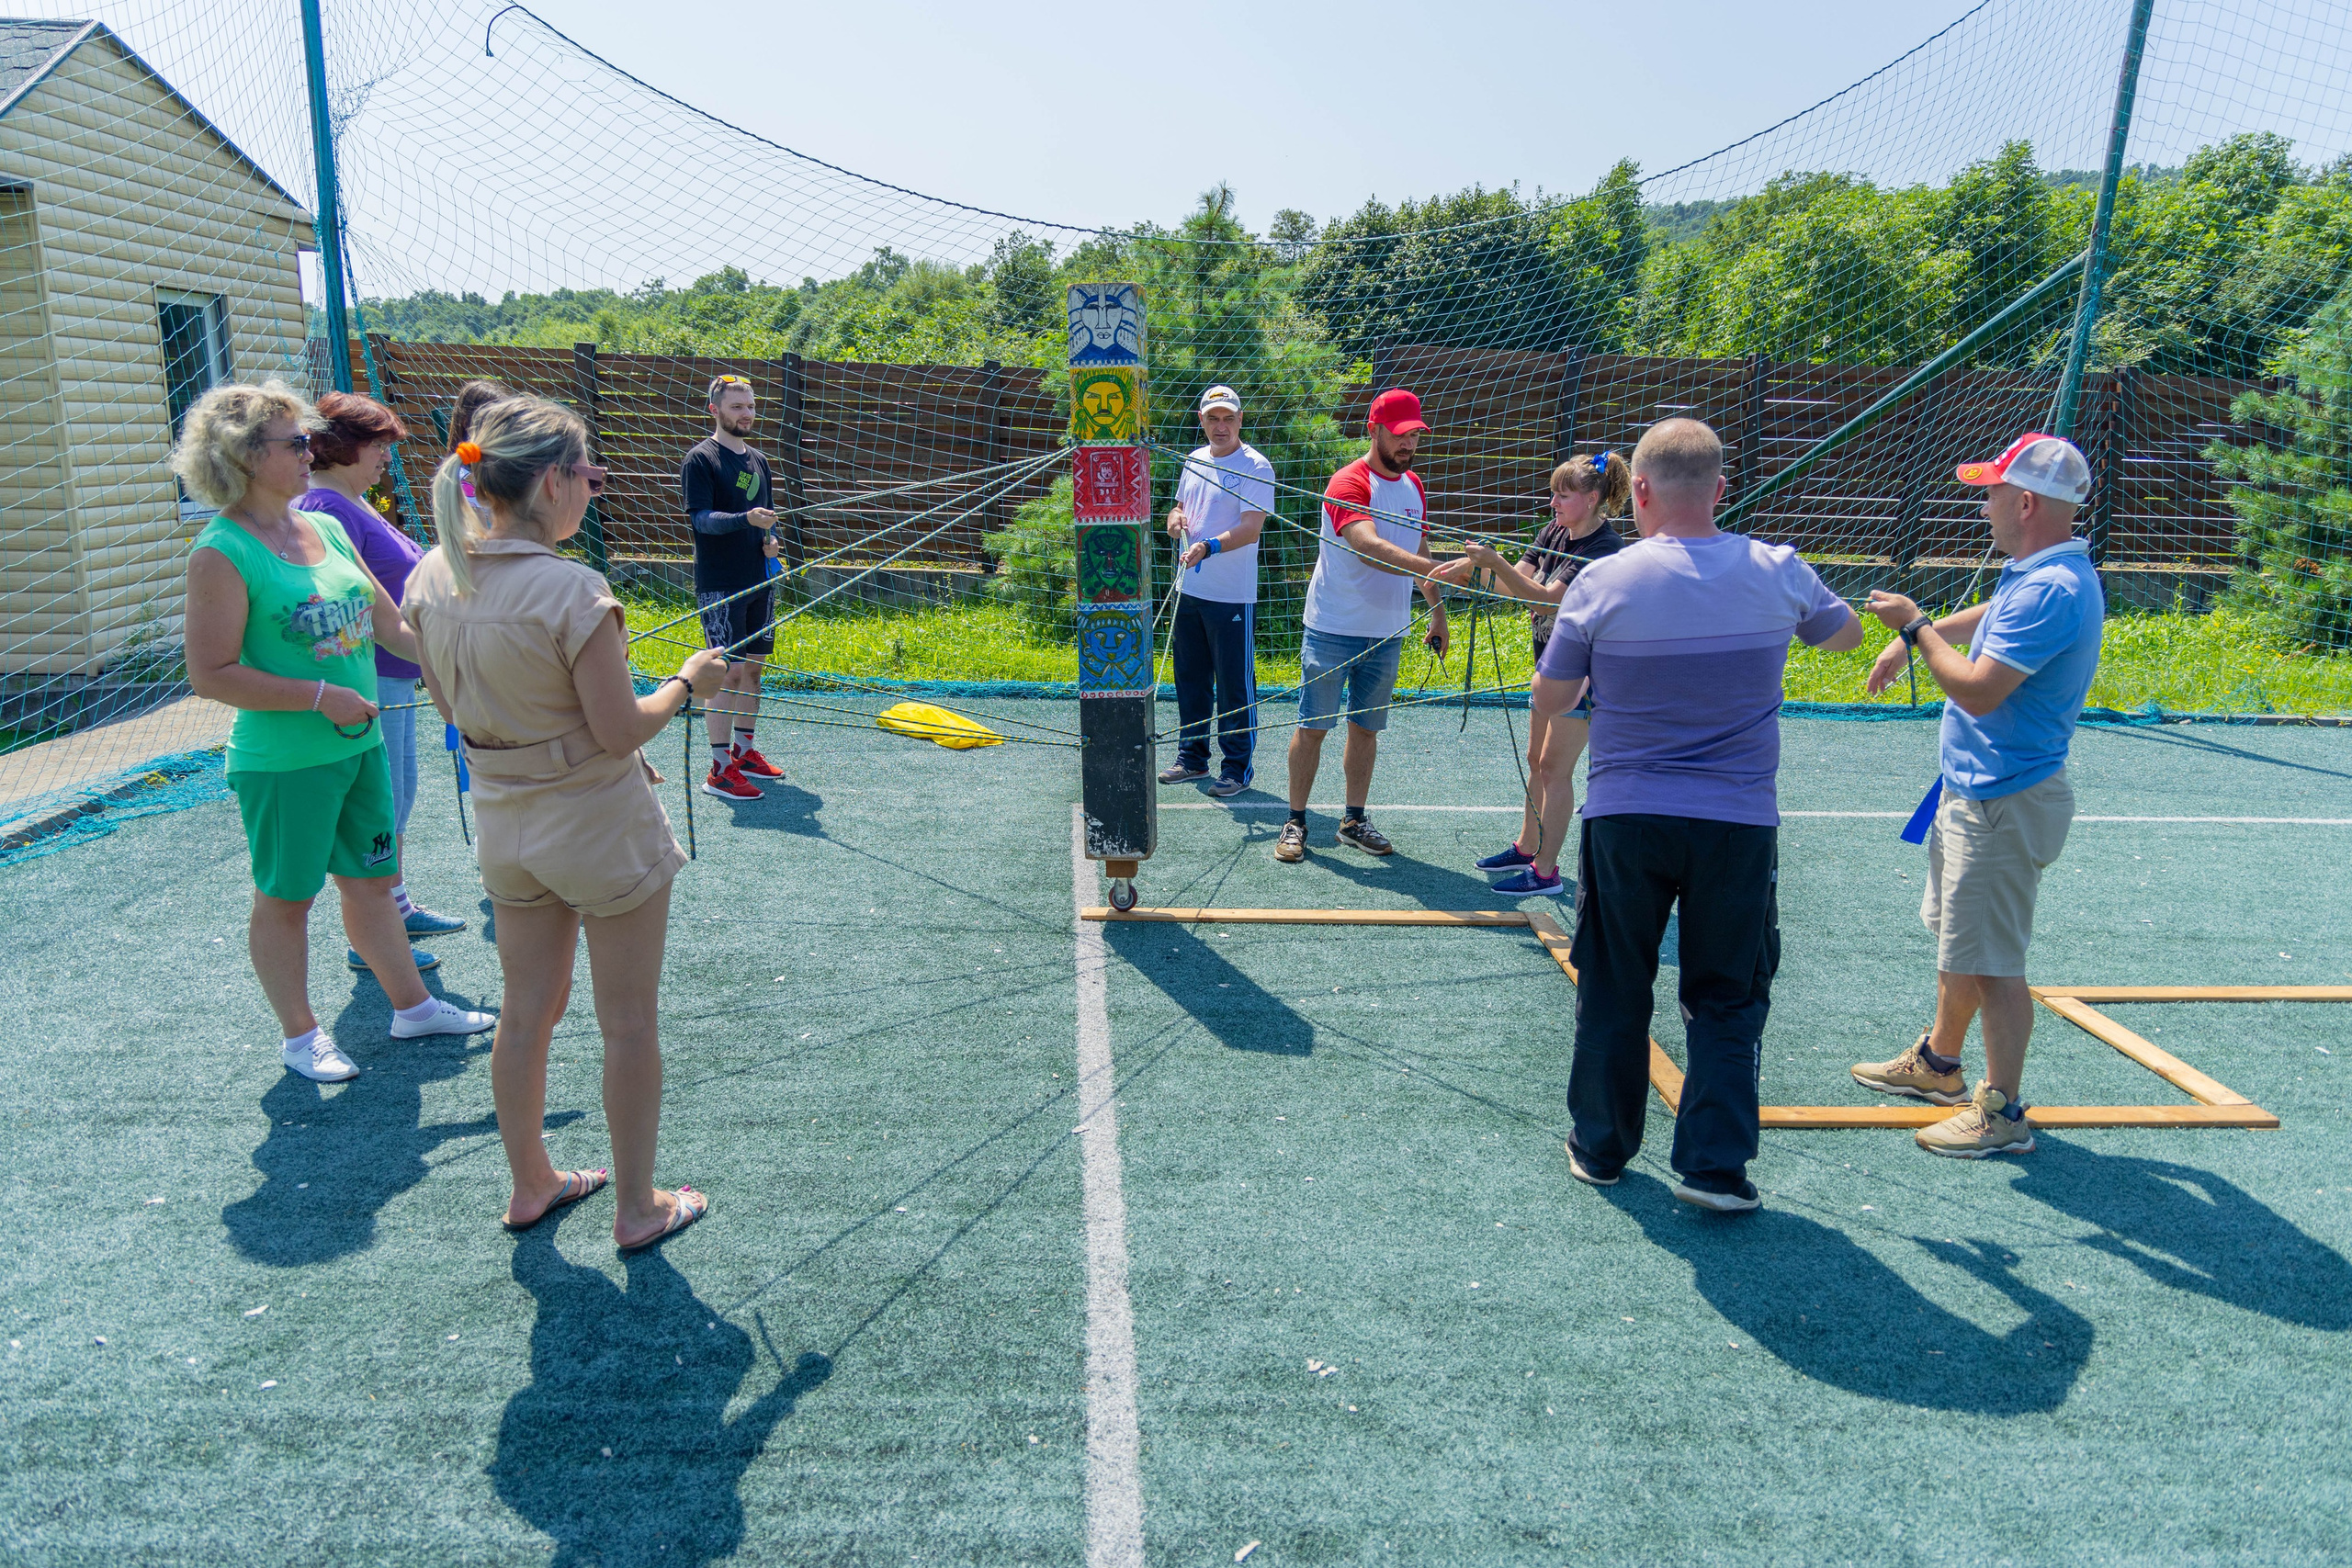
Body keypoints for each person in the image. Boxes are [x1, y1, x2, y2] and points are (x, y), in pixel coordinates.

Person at [404, 394, 729, 1249]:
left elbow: (459, 712)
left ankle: (532, 1183)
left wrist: (589, 738)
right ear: (550, 481)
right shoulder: (575, 588)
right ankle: (637, 1207)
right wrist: (688, 681)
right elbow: (620, 727)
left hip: (505, 831)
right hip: (597, 828)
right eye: (588, 473)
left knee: (525, 1011)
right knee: (627, 1021)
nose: (594, 487)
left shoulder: (432, 576)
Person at [1539, 418, 1863, 1213]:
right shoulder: (1777, 568)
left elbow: (1553, 696)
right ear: (1720, 489)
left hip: (1626, 815)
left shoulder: (1602, 581)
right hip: (1738, 822)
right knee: (1728, 991)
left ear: (1638, 492)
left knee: (1616, 981)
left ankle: (1601, 1147)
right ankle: (1715, 1167)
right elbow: (1846, 636)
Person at [178, 381, 494, 1084]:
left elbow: (391, 627)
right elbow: (212, 673)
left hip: (358, 748)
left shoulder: (321, 527)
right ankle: (301, 1036)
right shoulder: (220, 551)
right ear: (243, 454)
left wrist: (472, 655)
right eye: (295, 442)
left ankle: (413, 1007)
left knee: (374, 884)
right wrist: (322, 696)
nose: (309, 450)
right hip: (286, 762)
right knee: (287, 900)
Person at [1850, 433, 2104, 1159]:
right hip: (1980, 795)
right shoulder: (2039, 573)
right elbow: (1990, 622)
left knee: (1994, 962)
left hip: (2005, 802)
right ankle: (1939, 1064)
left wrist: (1916, 627)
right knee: (1962, 942)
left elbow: (1979, 689)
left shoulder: (2052, 587)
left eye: (1991, 491)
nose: (1983, 504)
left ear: (2025, 502)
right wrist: (1914, 638)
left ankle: (2001, 1109)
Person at [300, 390, 469, 974]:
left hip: (397, 670)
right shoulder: (330, 506)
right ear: (344, 446)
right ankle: (371, 937)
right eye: (378, 446)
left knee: (399, 794)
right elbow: (357, 607)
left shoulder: (355, 501)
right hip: (371, 676)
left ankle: (393, 906)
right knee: (382, 804)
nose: (387, 459)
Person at [1433, 450, 1633, 897]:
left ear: (1594, 497)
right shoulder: (1554, 531)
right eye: (1553, 494)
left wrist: (1494, 562)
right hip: (1551, 666)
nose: (1554, 503)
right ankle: (1527, 847)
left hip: (1586, 675)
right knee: (1535, 760)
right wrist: (1474, 572)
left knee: (1554, 768)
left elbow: (1545, 600)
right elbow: (1517, 583)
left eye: (1564, 495)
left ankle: (1546, 874)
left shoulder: (1602, 549)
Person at [1275, 388, 1451, 864]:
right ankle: (1296, 820)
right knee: (1314, 727)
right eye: (1399, 436)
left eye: (1415, 435)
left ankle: (1353, 820)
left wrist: (1436, 609)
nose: (1408, 445)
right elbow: (1366, 545)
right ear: (1373, 430)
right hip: (1333, 626)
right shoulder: (1347, 482)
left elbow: (1421, 550)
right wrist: (1433, 572)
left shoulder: (1413, 484)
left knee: (1366, 728)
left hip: (1388, 630)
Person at [1158, 384, 1274, 797]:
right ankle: (1191, 759)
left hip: (1232, 596)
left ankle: (1237, 769)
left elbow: (1250, 527)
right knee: (1190, 678)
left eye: (1228, 418)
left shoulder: (1256, 467)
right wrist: (1174, 522)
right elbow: (1180, 508)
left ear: (1240, 420)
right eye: (1213, 418)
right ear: (1202, 421)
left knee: (1234, 685)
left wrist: (1209, 546)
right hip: (1191, 588)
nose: (1220, 426)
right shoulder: (1193, 459)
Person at [681, 374, 784, 801]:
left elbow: (766, 517)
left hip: (759, 579)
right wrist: (745, 520)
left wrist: (772, 545)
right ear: (715, 410)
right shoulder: (700, 460)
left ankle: (743, 752)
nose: (746, 413)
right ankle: (719, 770)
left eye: (750, 405)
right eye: (737, 406)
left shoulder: (759, 460)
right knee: (729, 673)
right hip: (721, 585)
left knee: (755, 671)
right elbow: (701, 520)